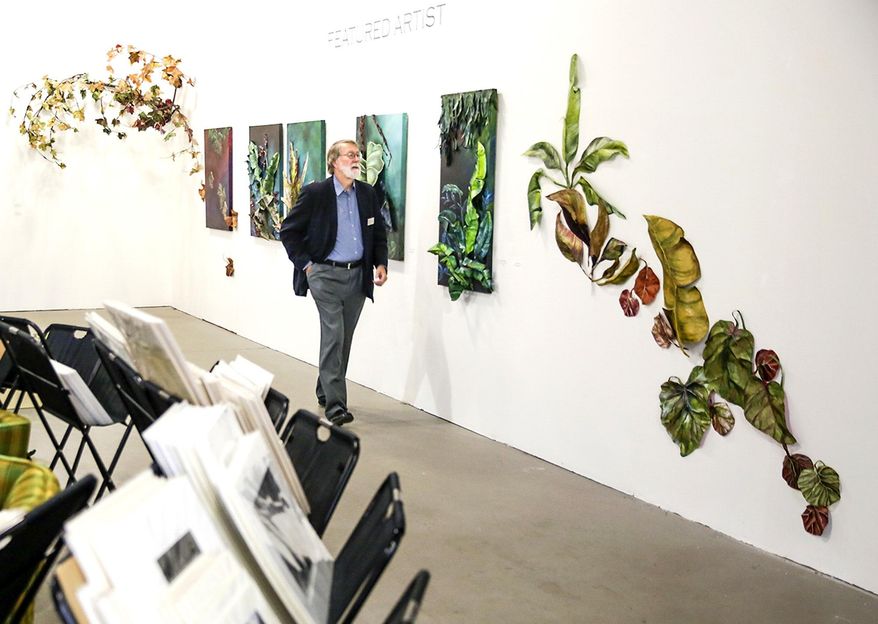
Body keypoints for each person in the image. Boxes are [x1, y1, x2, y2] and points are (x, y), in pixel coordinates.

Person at [280, 139, 388, 426]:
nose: (356, 159)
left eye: (357, 155)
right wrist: (307, 266)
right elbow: (289, 231)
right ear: (334, 161)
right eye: (350, 155)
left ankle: (324, 390)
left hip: (357, 277)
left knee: (344, 340)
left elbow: (378, 233)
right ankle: (336, 405)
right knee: (334, 335)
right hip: (325, 276)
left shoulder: (366, 193)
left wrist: (381, 263)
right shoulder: (316, 193)